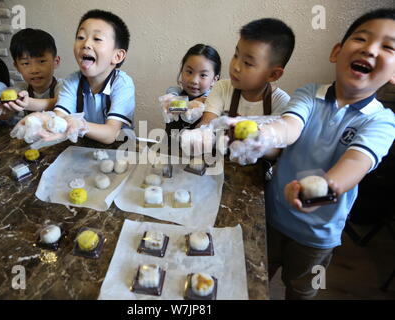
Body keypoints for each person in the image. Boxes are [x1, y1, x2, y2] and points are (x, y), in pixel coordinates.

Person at [220, 8, 395, 299]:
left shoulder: (382, 122)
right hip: (272, 216)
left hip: (317, 236)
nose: (370, 49)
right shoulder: (308, 94)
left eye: (388, 46)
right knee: (253, 277)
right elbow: (289, 128)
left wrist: (324, 189)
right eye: (362, 38)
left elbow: (356, 163)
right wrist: (260, 137)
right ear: (337, 52)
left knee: (302, 290)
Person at [50, 9, 134, 145]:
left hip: (119, 149)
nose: (86, 44)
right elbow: (59, 117)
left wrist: (78, 124)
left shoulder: (122, 84)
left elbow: (111, 134)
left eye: (97, 39)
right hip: (80, 146)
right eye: (81, 37)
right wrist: (40, 120)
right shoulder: (72, 81)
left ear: (117, 56)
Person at [199, 18, 295, 126]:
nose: (236, 66)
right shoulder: (222, 88)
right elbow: (206, 125)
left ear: (273, 74)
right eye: (236, 55)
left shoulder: (281, 103)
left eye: (248, 63)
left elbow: (275, 139)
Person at [0, 28, 62, 118]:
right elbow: (6, 117)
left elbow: (59, 103)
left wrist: (27, 103)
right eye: (26, 63)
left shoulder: (63, 87)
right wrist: (5, 109)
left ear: (56, 62)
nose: (34, 70)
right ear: (17, 67)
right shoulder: (20, 89)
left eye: (41, 61)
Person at [162, 43, 221, 130]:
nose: (194, 80)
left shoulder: (214, 101)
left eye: (203, 75)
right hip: (170, 143)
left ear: (214, 80)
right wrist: (192, 104)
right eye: (189, 72)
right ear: (182, 71)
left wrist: (204, 101)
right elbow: (169, 106)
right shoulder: (174, 92)